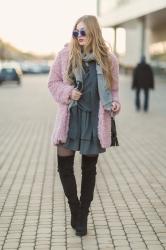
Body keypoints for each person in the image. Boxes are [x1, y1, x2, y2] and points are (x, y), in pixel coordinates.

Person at [48, 15, 120, 236]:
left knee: (89, 170)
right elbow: (53, 83)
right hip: (71, 119)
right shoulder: (64, 55)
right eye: (75, 32)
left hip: (94, 121)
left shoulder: (109, 59)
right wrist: (69, 92)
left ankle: (83, 216)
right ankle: (75, 208)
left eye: (83, 32)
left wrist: (115, 102)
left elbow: (114, 87)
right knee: (64, 167)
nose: (79, 36)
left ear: (94, 33)